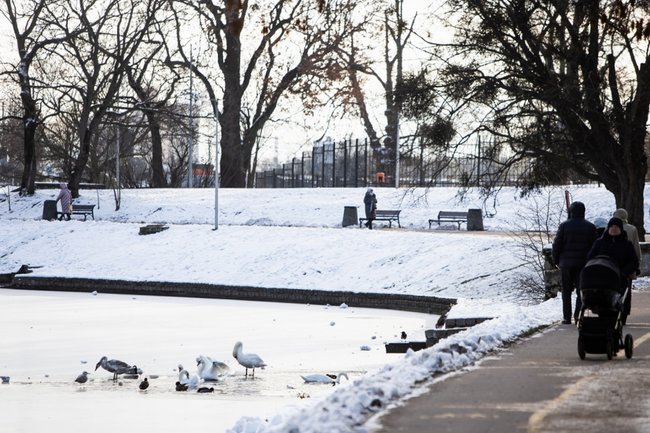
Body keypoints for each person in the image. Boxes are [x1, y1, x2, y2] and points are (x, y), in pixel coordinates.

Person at [552, 201, 598, 324]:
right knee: (580, 290)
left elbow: (557, 245)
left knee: (566, 291)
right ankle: (578, 314)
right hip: (583, 264)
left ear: (571, 212)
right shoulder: (590, 227)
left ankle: (567, 317)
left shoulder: (564, 226)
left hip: (566, 264)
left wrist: (556, 260)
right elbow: (595, 247)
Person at [588, 216, 639, 324]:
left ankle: (622, 316)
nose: (614, 229)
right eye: (611, 227)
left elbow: (633, 262)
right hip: (602, 277)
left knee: (622, 297)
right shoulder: (599, 243)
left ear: (621, 229)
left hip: (620, 276)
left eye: (616, 227)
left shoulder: (626, 245)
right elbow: (590, 258)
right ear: (608, 228)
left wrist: (624, 272)